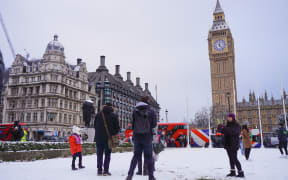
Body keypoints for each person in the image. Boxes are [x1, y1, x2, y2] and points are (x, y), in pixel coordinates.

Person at [126, 96, 157, 180]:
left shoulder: (134, 110)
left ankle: (130, 175)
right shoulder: (151, 110)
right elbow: (154, 124)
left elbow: (132, 124)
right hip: (147, 136)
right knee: (149, 156)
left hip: (137, 136)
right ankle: (151, 176)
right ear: (147, 101)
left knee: (135, 156)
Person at [94, 103, 120, 176]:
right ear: (111, 107)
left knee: (99, 154)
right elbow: (117, 128)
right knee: (107, 155)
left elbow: (95, 126)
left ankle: (99, 170)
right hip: (109, 139)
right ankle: (106, 171)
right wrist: (112, 133)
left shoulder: (98, 115)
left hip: (98, 138)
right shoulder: (114, 115)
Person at [218, 113, 244, 178]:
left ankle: (241, 172)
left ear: (233, 118)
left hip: (234, 144)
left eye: (230, 117)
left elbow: (233, 132)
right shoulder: (228, 125)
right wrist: (220, 128)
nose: (228, 118)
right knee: (231, 159)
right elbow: (224, 132)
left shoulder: (237, 125)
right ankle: (232, 171)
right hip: (228, 144)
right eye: (228, 117)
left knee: (235, 159)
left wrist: (224, 128)